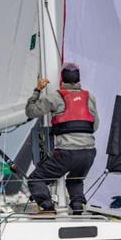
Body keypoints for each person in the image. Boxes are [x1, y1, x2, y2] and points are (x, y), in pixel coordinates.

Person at [25, 63, 98, 214]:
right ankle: (78, 206)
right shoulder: (89, 97)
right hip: (88, 153)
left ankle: (47, 207)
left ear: (62, 79)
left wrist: (37, 90)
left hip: (67, 153)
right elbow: (94, 126)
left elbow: (31, 112)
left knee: (36, 179)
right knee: (75, 180)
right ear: (78, 78)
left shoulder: (54, 97)